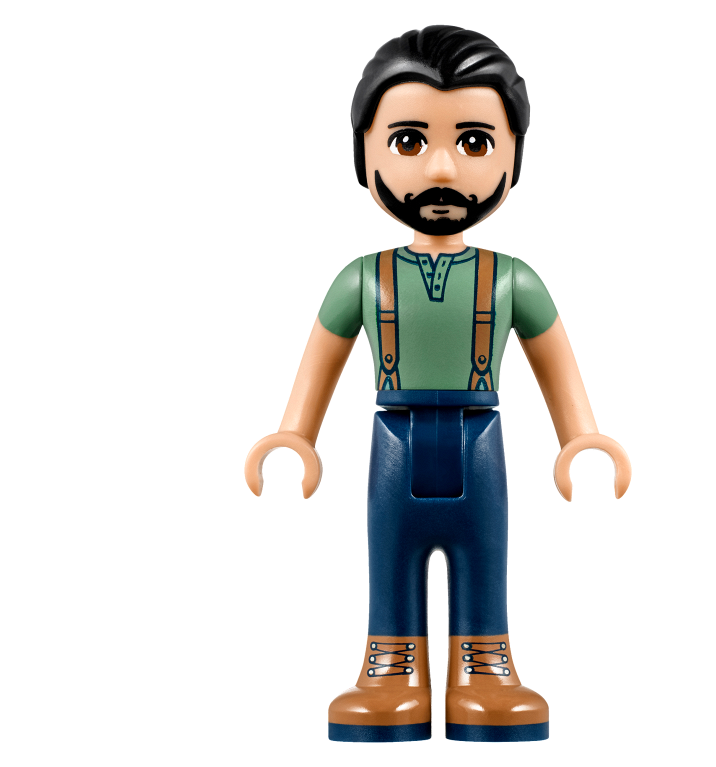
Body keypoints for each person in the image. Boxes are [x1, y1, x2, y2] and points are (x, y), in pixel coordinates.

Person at [244, 26, 631, 743]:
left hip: (481, 442)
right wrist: (295, 434)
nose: (443, 168)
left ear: (514, 154)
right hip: (393, 444)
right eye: (409, 141)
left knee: (485, 557)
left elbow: (555, 361)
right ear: (364, 151)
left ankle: (486, 671)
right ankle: (390, 673)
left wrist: (581, 437)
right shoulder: (362, 278)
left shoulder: (512, 278)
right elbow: (320, 359)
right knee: (389, 558)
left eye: (475, 142)